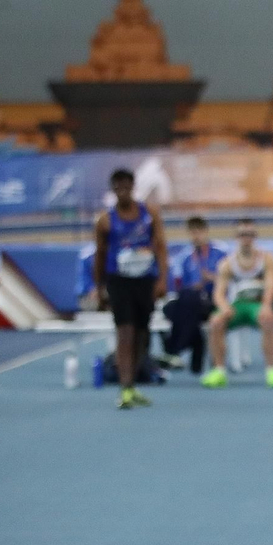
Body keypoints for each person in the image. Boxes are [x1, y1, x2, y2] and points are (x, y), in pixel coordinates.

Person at [93, 167, 168, 410]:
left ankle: (132, 385)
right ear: (113, 190)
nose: (123, 191)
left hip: (144, 281)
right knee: (125, 332)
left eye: (127, 187)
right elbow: (100, 255)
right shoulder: (105, 220)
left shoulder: (149, 214)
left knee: (142, 334)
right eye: (118, 188)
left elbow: (160, 246)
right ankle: (124, 388)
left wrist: (162, 279)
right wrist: (99, 287)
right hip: (119, 281)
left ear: (133, 187)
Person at [201, 220, 273, 389]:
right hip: (236, 306)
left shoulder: (266, 260)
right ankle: (219, 371)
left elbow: (271, 286)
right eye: (243, 235)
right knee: (215, 321)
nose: (246, 239)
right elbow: (219, 293)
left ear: (255, 237)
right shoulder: (227, 264)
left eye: (250, 235)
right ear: (237, 237)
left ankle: (272, 370)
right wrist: (224, 308)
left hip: (256, 305)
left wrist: (267, 306)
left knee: (268, 319)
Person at [159, 216, 227, 372]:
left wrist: (211, 278)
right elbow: (181, 287)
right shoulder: (186, 258)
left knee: (188, 303)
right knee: (171, 307)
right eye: (192, 232)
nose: (196, 236)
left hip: (213, 300)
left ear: (205, 232)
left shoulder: (219, 255)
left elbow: (229, 280)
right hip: (191, 302)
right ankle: (194, 344)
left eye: (198, 232)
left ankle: (173, 348)